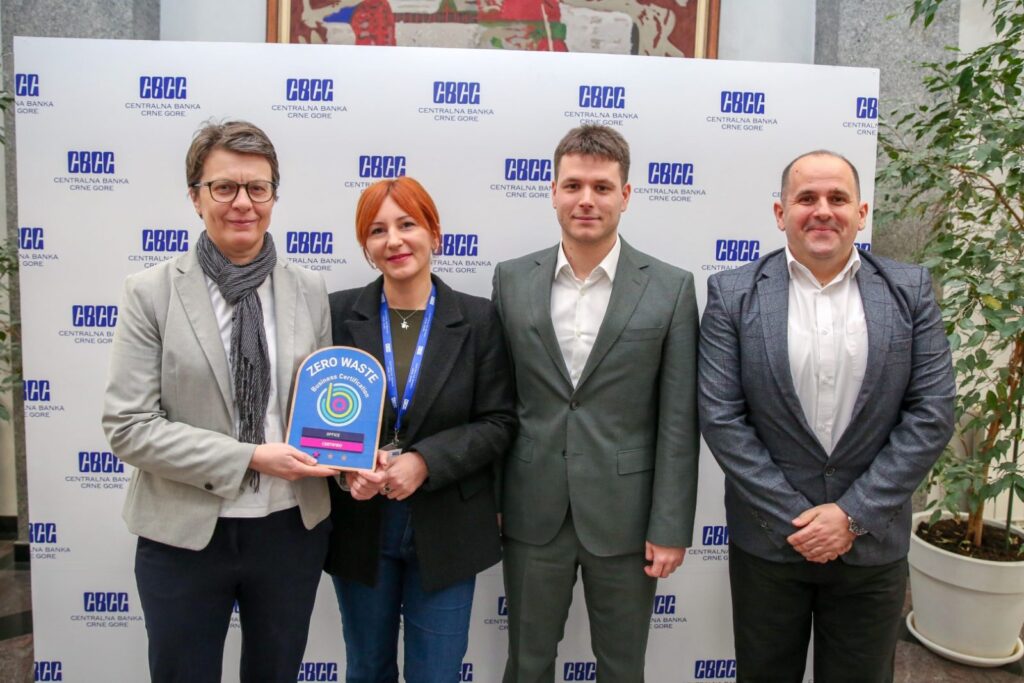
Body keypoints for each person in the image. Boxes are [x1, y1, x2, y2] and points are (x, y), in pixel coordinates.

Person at [698, 150, 956, 682]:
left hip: (871, 544)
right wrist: (799, 521)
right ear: (780, 213)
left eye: (838, 198)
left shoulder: (909, 291)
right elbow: (721, 417)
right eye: (806, 198)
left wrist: (851, 516)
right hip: (769, 544)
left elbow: (932, 412)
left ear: (861, 213)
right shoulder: (732, 293)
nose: (822, 210)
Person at [102, 120, 337, 683]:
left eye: (258, 188)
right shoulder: (150, 292)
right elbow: (129, 426)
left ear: (273, 197)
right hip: (183, 532)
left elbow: (324, 405)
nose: (243, 203)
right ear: (195, 197)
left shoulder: (309, 289)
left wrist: (347, 455)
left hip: (289, 529)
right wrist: (250, 457)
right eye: (224, 187)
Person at [492, 124, 699, 682]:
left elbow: (679, 421)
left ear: (625, 195)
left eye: (602, 187)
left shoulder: (671, 288)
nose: (587, 199)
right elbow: (498, 404)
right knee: (527, 664)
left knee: (623, 668)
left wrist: (670, 524)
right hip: (531, 510)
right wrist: (494, 498)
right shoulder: (511, 280)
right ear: (553, 191)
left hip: (627, 518)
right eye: (574, 185)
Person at [325, 176, 516, 683]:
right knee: (366, 669)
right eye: (377, 230)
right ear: (365, 247)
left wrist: (425, 461)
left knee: (437, 673)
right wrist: (348, 470)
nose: (394, 240)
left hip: (448, 524)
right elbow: (319, 422)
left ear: (435, 233)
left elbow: (499, 422)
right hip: (362, 523)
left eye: (407, 224)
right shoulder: (338, 313)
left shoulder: (479, 319)